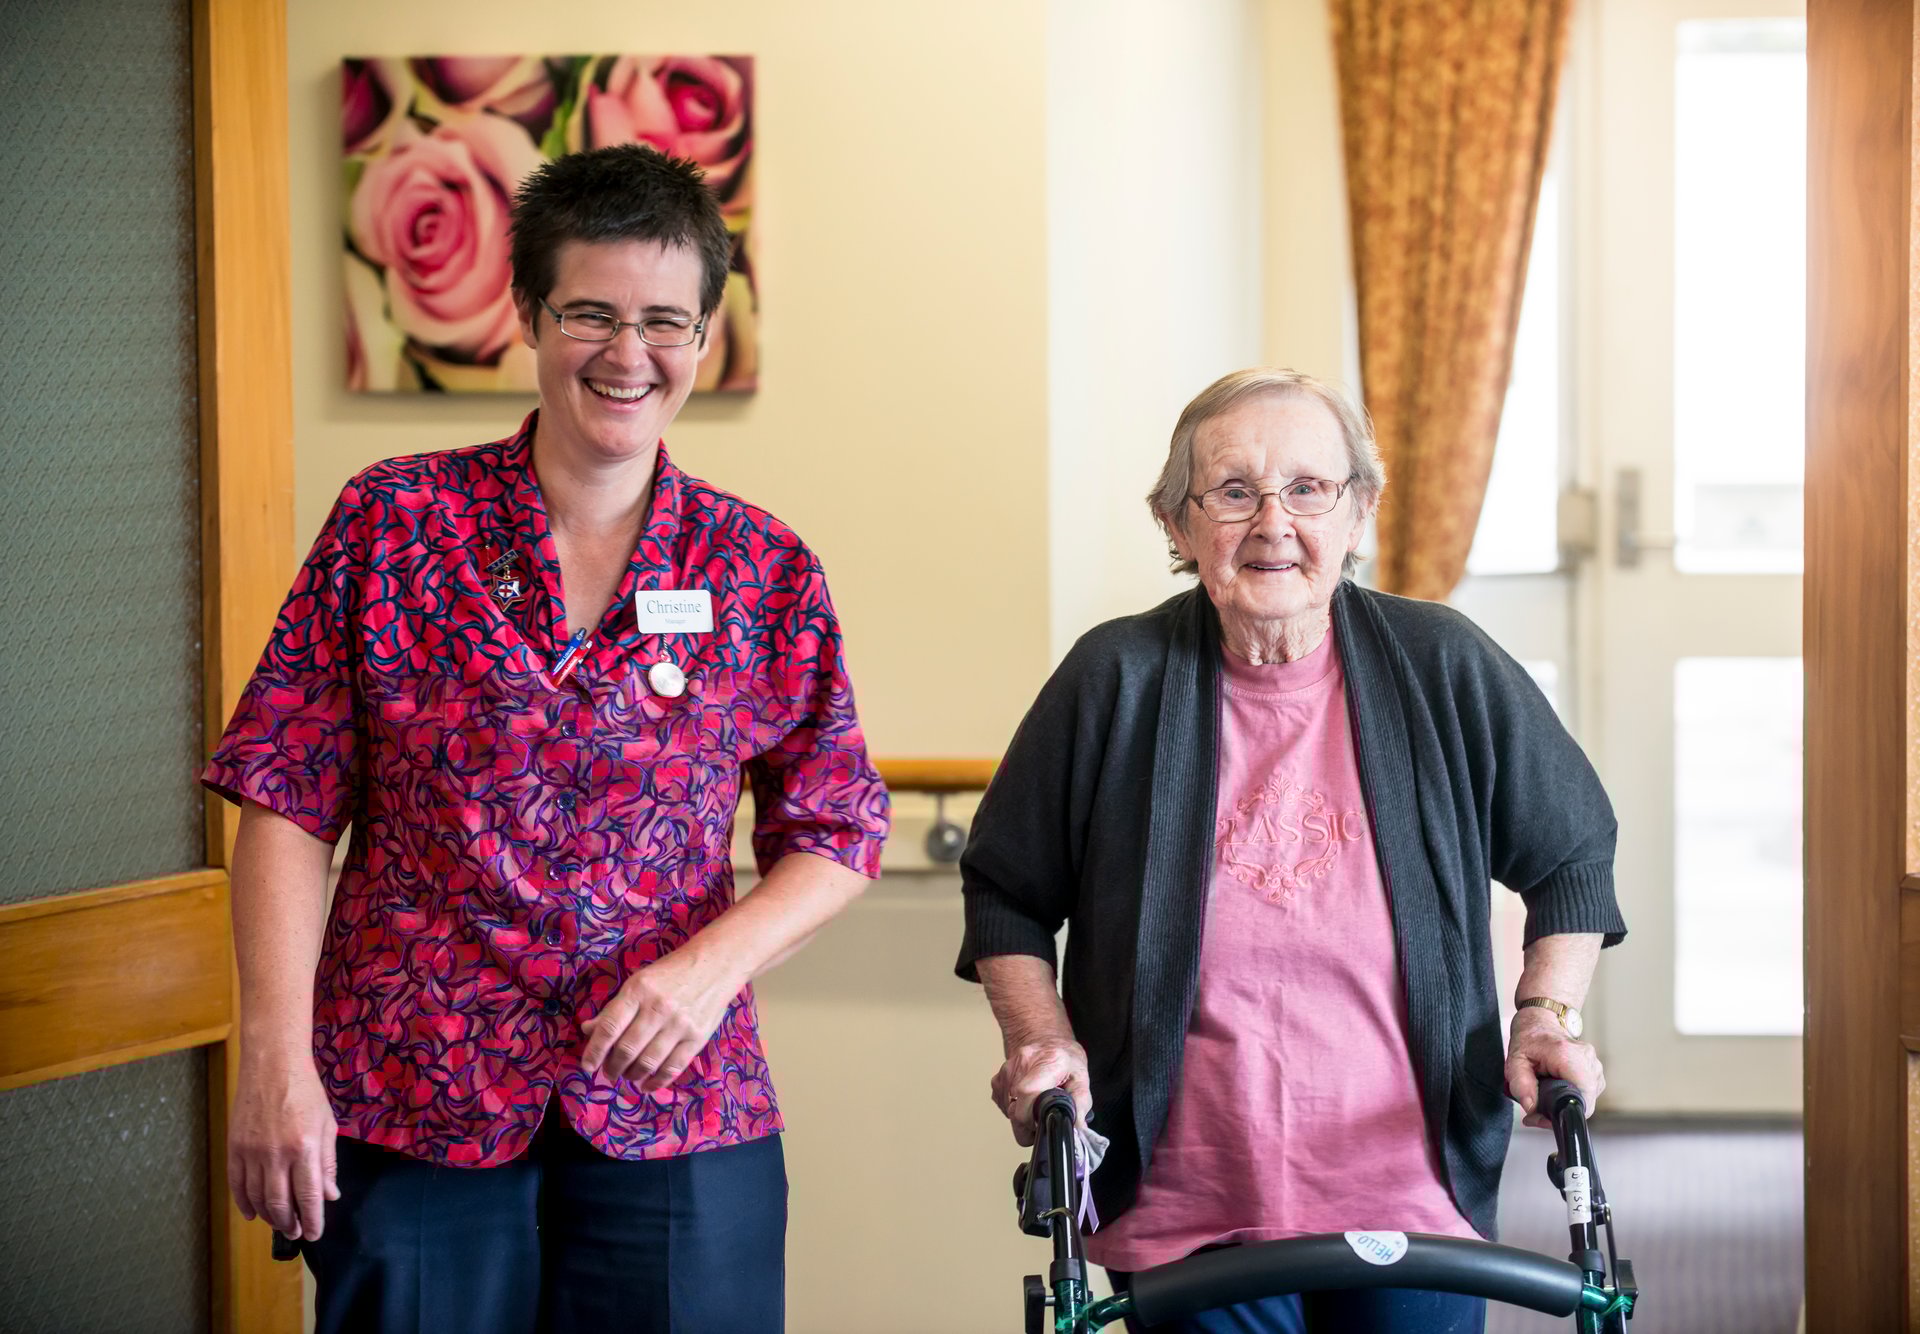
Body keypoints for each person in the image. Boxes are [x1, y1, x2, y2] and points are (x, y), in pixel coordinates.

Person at [204, 145, 888, 1334]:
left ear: (704, 333)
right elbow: (285, 793)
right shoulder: (393, 522)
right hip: (413, 1090)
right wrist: (273, 1057)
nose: (629, 353)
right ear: (527, 313)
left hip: (675, 1101)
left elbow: (837, 827)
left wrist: (706, 970)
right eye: (591, 314)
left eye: (664, 321)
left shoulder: (761, 567)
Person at [957, 367, 1626, 1334]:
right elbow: (1006, 888)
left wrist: (1544, 1013)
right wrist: (1039, 1039)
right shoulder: (1116, 678)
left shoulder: (1441, 662)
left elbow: (1572, 856)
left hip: (1411, 1190)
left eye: (1309, 489)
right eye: (1234, 492)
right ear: (1177, 525)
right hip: (1188, 1205)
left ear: (1359, 512)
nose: (1274, 523)